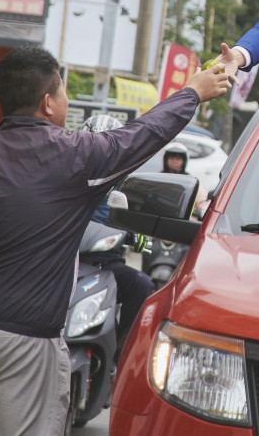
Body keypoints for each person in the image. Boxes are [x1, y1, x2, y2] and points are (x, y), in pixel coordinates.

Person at [0, 45, 231, 435]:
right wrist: (193, 93)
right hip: (28, 338)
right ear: (49, 103)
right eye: (65, 92)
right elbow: (143, 134)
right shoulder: (77, 158)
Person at [79, 113, 155, 351]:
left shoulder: (130, 184)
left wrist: (141, 233)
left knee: (142, 286)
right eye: (95, 145)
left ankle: (121, 351)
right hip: (65, 260)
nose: (101, 154)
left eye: (108, 146)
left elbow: (143, 221)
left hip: (107, 262)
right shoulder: (66, 175)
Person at [162, 140, 210, 219]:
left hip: (184, 221)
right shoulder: (159, 178)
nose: (174, 160)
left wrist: (201, 211)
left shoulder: (191, 182)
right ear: (166, 159)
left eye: (178, 158)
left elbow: (203, 202)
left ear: (184, 161)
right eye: (171, 157)